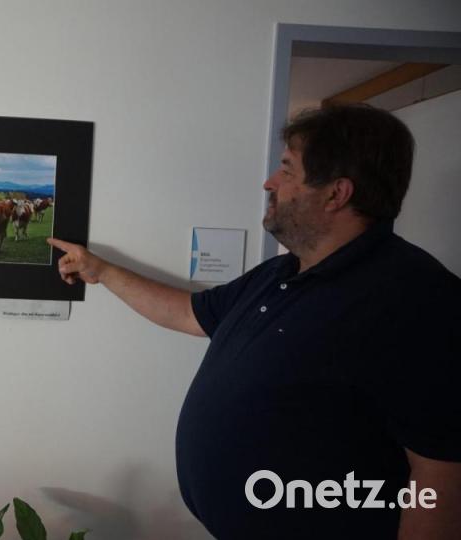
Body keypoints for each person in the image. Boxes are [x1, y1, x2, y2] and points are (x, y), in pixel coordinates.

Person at [48, 104, 460, 539]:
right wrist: (103, 272)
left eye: (287, 170)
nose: (269, 183)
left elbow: (442, 470)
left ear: (336, 193)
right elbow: (189, 313)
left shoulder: (415, 298)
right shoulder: (283, 272)